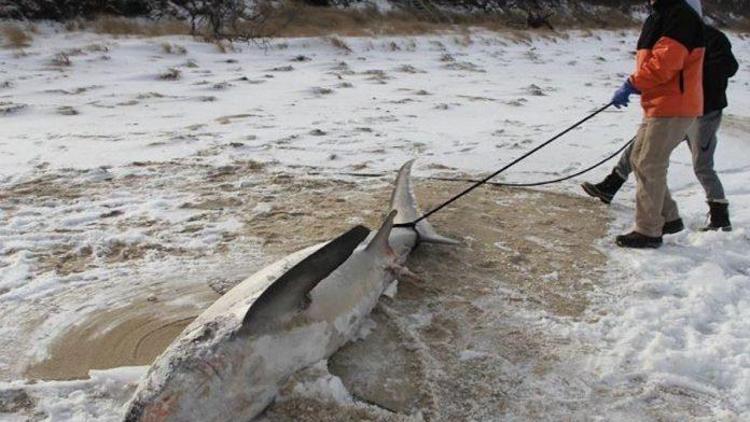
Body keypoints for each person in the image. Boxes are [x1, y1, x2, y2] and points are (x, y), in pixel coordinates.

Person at [582, 23, 739, 234]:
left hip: (704, 112)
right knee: (640, 146)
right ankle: (611, 185)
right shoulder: (672, 34)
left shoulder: (712, 37)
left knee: (702, 165)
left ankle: (720, 216)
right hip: (675, 107)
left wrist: (689, 74)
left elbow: (729, 67)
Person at [594, 0, 705, 249]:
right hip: (660, 103)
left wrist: (633, 83)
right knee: (638, 158)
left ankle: (648, 230)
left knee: (650, 163)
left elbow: (665, 63)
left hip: (675, 104)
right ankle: (669, 217)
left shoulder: (680, 15)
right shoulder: (660, 14)